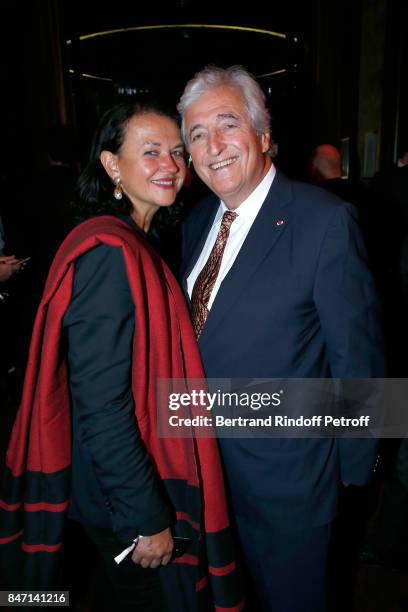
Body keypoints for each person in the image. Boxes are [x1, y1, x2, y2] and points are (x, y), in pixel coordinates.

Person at [0, 101, 243, 612]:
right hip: (123, 500)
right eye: (150, 151)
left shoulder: (137, 241)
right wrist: (147, 518)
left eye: (177, 152)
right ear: (112, 165)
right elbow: (102, 407)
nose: (171, 165)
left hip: (123, 486)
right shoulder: (112, 255)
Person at [178, 65, 384, 612]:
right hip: (205, 479)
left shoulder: (325, 221)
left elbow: (358, 361)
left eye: (228, 124)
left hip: (290, 487)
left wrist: (350, 480)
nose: (212, 145)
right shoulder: (197, 221)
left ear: (265, 136)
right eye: (196, 134)